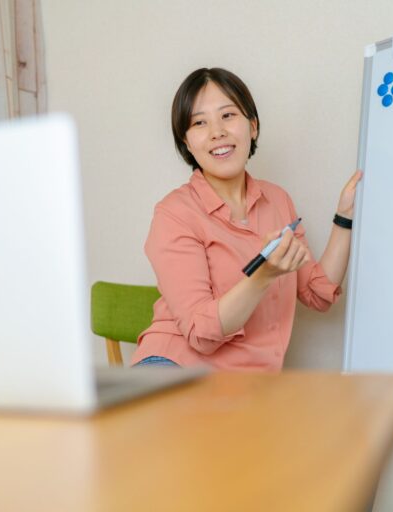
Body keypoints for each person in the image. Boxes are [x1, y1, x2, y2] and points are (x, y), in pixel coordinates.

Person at [131, 67, 361, 370]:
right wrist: (264, 275)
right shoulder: (174, 213)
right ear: (186, 142)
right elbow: (201, 334)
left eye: (227, 115)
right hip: (175, 368)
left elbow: (318, 294)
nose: (217, 132)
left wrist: (345, 216)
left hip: (245, 384)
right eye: (199, 122)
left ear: (252, 127)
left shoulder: (277, 200)